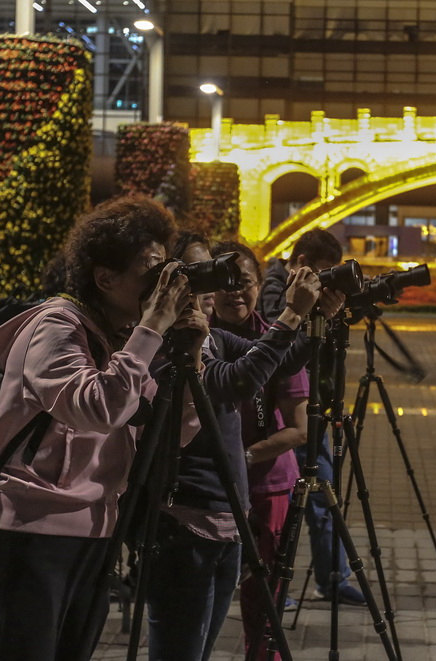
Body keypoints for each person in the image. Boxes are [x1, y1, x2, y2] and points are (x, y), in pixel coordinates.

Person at [0, 195, 207, 661]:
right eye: (150, 269)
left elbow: (172, 435)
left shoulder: (122, 341)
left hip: (97, 529)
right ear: (105, 278)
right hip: (31, 531)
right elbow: (96, 408)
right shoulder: (55, 325)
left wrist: (191, 354)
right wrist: (153, 326)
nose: (162, 282)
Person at [145, 233, 322, 661]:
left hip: (228, 520)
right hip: (185, 526)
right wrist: (293, 312)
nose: (213, 290)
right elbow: (239, 381)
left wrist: (317, 316)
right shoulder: (166, 350)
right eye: (201, 274)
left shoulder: (215, 341)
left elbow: (284, 360)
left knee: (200, 650)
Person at [210, 239, 344, 659]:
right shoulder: (195, 339)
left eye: (244, 281)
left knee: (263, 598)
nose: (235, 291)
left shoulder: (273, 338)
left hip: (267, 488)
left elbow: (301, 428)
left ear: (258, 283)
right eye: (225, 282)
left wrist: (244, 457)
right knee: (204, 599)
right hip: (207, 494)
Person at [258, 228, 366, 607]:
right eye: (323, 271)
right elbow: (278, 344)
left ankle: (333, 578)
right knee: (286, 501)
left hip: (312, 405)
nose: (326, 280)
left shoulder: (300, 289)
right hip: (281, 414)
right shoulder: (273, 287)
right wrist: (308, 309)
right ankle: (274, 586)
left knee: (323, 496)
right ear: (302, 263)